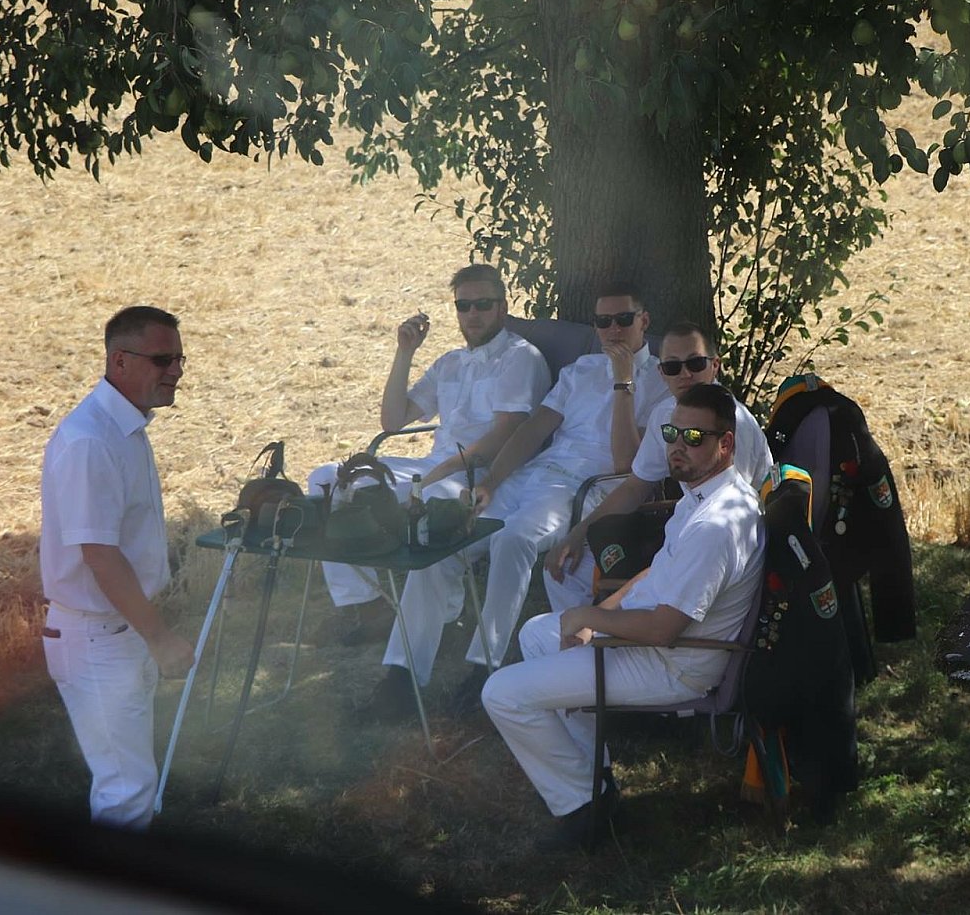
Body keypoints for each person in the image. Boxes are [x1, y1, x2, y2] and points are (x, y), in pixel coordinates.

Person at [481, 384, 766, 849]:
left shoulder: (716, 525)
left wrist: (588, 617)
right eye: (672, 433)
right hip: (651, 642)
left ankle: (581, 808)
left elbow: (664, 629)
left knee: (501, 693)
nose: (678, 445)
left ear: (726, 444)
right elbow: (657, 571)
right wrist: (598, 614)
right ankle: (596, 781)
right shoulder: (706, 494)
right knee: (537, 634)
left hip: (674, 664)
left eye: (694, 437)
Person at [366, 281, 665, 719]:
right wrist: (492, 481)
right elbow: (532, 430)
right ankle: (402, 673)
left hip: (588, 487)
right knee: (447, 534)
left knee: (514, 539)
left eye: (623, 319)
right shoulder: (580, 370)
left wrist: (623, 382)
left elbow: (626, 463)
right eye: (603, 322)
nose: (613, 330)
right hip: (537, 474)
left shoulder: (660, 381)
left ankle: (484, 666)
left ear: (644, 321)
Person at [307, 264, 549, 644]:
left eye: (483, 304)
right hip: (434, 465)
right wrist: (404, 352)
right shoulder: (449, 362)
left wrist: (441, 472)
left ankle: (444, 617)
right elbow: (393, 420)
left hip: (484, 473)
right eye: (464, 305)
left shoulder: (520, 357)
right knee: (327, 479)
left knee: (435, 498)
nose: (473, 314)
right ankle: (368, 605)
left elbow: (506, 433)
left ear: (502, 308)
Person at [39, 305, 197, 830]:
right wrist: (160, 637)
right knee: (126, 789)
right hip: (96, 636)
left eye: (179, 359)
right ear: (120, 360)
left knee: (131, 778)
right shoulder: (91, 441)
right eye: (162, 360)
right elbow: (101, 557)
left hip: (114, 629)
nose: (175, 371)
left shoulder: (122, 427)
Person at [542, 321, 774, 611]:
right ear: (662, 373)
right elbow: (635, 486)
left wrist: (670, 559)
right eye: (673, 367)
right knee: (566, 568)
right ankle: (583, 633)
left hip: (723, 549)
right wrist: (578, 533)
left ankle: (603, 629)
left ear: (715, 366)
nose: (685, 374)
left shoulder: (733, 424)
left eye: (696, 363)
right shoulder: (666, 413)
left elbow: (737, 516)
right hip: (680, 527)